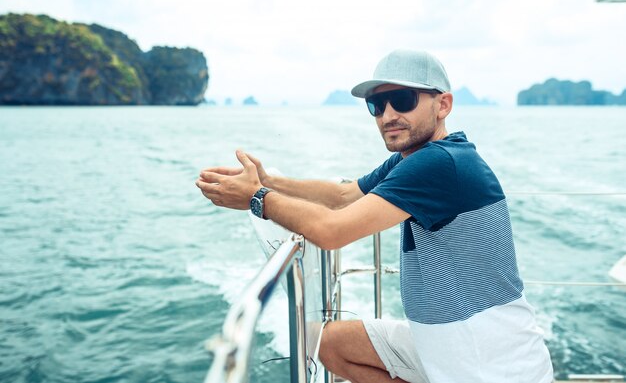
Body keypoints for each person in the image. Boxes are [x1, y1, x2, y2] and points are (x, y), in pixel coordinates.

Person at [196, 49, 554, 383]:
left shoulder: (437, 163)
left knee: (319, 339)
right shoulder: (416, 157)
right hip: (441, 345)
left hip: (491, 365)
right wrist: (269, 181)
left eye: (402, 100)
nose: (387, 115)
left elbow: (331, 230)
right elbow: (341, 196)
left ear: (443, 104)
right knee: (326, 341)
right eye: (376, 105)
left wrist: (257, 198)